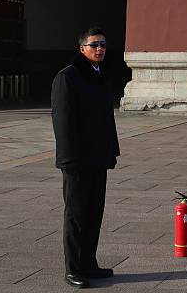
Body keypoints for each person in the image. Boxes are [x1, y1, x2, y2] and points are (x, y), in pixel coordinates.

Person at [51, 27, 120, 289]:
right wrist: (69, 160)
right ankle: (73, 269)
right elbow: (63, 122)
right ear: (82, 49)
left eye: (103, 44)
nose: (99, 49)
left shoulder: (99, 75)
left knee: (94, 213)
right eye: (94, 45)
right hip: (77, 161)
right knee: (77, 216)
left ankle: (89, 263)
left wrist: (110, 151)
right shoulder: (68, 77)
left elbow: (106, 120)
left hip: (97, 158)